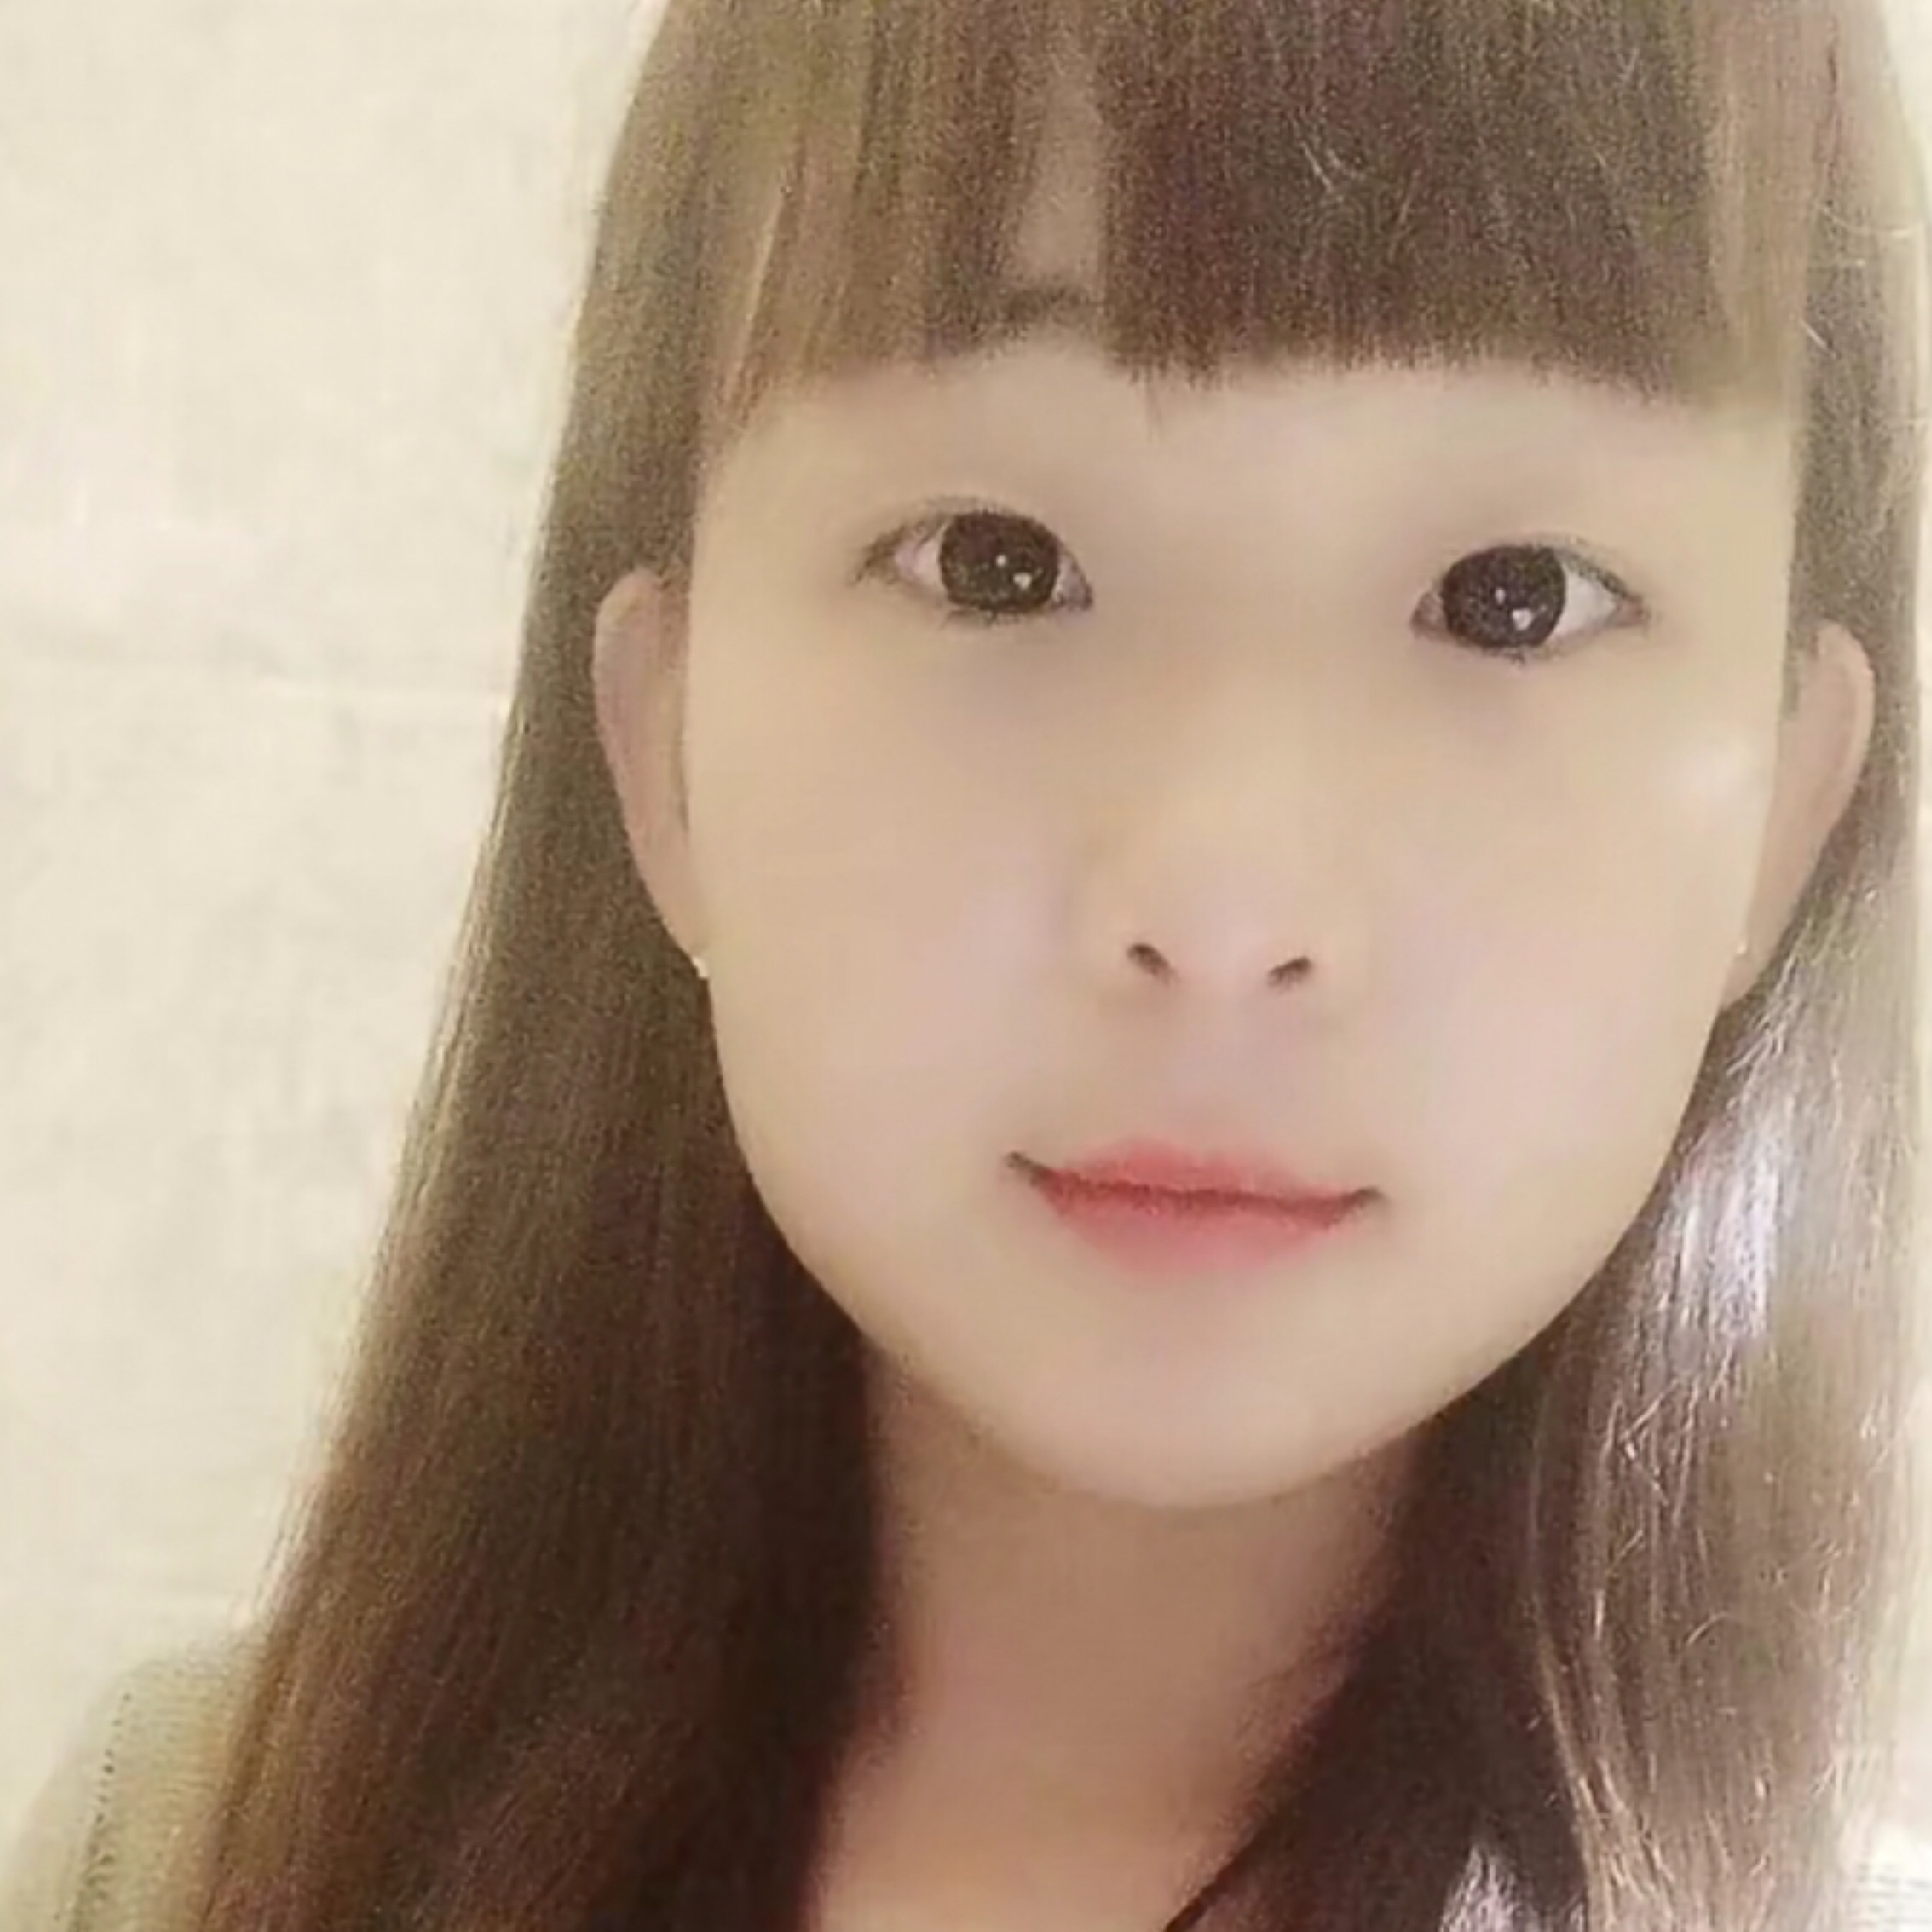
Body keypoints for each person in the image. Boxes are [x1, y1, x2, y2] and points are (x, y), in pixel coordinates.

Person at [5, 0, 1930, 1927]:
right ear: (665, 752)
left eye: (1512, 601)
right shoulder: (180, 1855)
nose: (1225, 906)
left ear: (1784, 807)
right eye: (993, 561)